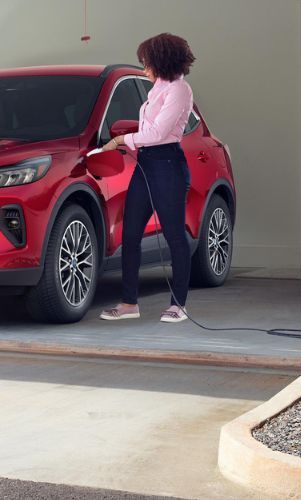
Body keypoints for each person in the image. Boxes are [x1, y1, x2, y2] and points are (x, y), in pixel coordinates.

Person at [99, 33, 196, 323]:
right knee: (130, 234)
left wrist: (120, 141)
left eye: (147, 62)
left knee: (174, 235)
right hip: (146, 164)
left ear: (161, 60)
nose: (144, 68)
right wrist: (129, 141)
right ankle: (130, 303)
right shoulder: (157, 89)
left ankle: (178, 304)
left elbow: (157, 134)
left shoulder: (180, 90)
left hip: (167, 164)